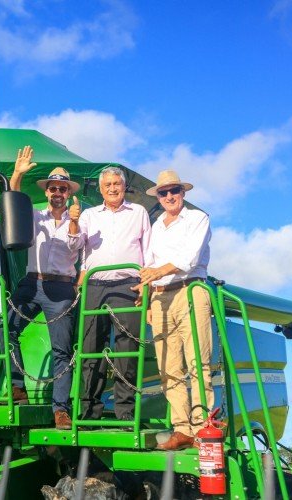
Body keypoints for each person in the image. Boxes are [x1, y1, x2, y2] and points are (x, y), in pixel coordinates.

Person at [132, 170, 214, 450]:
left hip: (191, 289)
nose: (169, 196)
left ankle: (203, 426)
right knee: (168, 367)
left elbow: (189, 258)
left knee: (198, 362)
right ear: (158, 196)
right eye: (163, 193)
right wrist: (148, 292)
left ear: (183, 193)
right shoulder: (156, 226)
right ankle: (182, 428)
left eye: (174, 191)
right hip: (160, 296)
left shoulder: (198, 218)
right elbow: (149, 262)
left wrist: (156, 273)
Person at [5, 146, 82, 430]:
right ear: (47, 192)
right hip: (31, 282)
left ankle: (60, 410)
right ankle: (18, 388)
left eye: (62, 188)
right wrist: (17, 174)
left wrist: (73, 221)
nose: (57, 193)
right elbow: (13, 201)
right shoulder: (36, 216)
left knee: (61, 350)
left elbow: (75, 245)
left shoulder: (78, 221)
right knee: (6, 328)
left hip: (61, 289)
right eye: (53, 188)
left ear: (68, 193)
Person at [67, 166, 151, 422]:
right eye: (108, 185)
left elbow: (148, 250)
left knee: (127, 349)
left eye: (117, 184)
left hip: (128, 284)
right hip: (96, 285)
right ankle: (90, 411)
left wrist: (146, 285)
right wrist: (72, 220)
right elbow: (75, 245)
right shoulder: (89, 215)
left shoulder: (139, 212)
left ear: (124, 187)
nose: (113, 188)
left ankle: (126, 413)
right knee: (91, 348)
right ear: (102, 189)